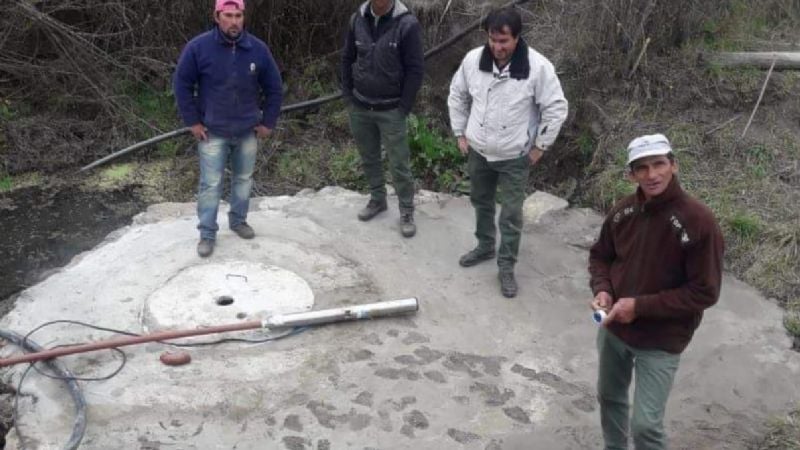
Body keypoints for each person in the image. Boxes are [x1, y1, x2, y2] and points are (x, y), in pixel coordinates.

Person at [588, 133, 724, 449]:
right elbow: (601, 256)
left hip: (662, 339)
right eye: (642, 168)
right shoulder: (623, 211)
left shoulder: (699, 221)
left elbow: (705, 291)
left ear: (674, 165)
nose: (652, 175)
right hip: (614, 329)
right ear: (631, 174)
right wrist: (603, 289)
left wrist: (639, 307)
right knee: (609, 397)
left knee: (646, 426)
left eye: (659, 164)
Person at [447, 7, 568, 298]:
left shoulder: (537, 68)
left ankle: (506, 265)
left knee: (511, 213)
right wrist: (460, 132)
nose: (497, 47)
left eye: (504, 41)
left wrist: (540, 146)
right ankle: (485, 246)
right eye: (493, 40)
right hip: (479, 150)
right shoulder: (473, 61)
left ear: (517, 38)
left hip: (515, 155)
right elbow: (457, 94)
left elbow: (556, 107)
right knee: (481, 201)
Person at [173, 0, 282, 257]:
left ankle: (238, 221)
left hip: (247, 130)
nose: (234, 21)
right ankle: (207, 234)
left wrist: (268, 121)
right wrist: (194, 122)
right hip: (213, 132)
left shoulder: (257, 49)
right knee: (211, 185)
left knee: (243, 180)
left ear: (244, 17)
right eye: (228, 15)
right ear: (217, 16)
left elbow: (275, 88)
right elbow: (181, 85)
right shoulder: (198, 48)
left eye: (239, 15)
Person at [341, 0, 424, 238]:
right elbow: (347, 58)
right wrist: (348, 96)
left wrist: (403, 107)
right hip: (360, 105)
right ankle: (378, 199)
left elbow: (415, 69)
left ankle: (406, 210)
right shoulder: (357, 19)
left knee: (399, 163)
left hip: (391, 109)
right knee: (369, 158)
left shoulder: (407, 24)